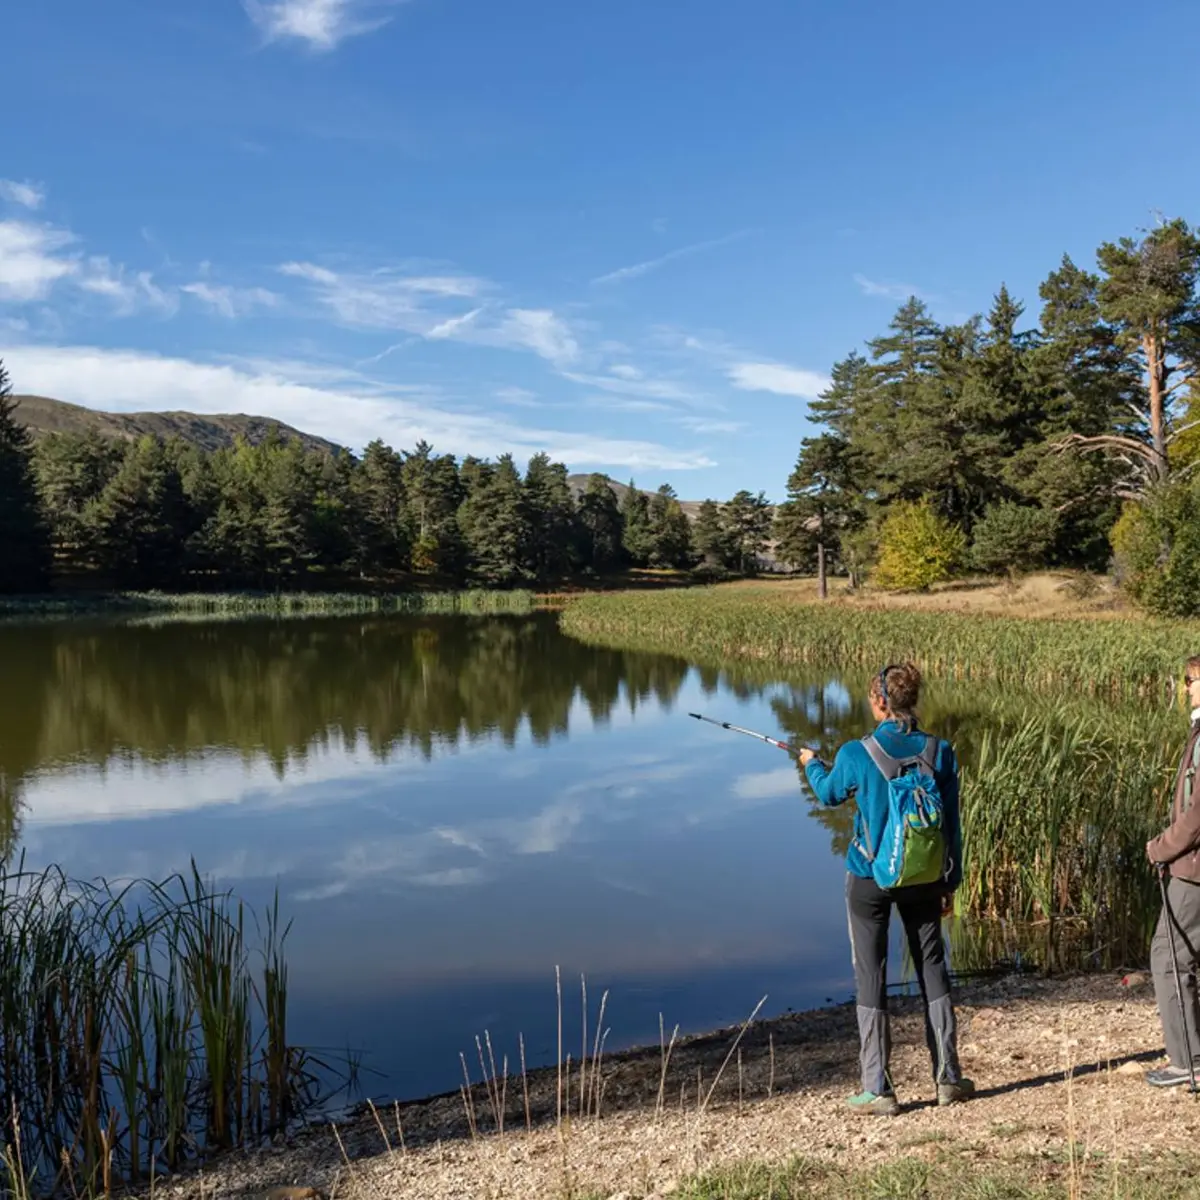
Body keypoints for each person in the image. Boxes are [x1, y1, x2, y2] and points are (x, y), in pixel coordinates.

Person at [798, 662, 973, 1116]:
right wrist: (950, 880)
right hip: (926, 879)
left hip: (870, 879)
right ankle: (948, 1078)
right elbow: (951, 826)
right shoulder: (942, 751)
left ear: (879, 700)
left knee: (870, 975)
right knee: (933, 967)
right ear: (911, 699)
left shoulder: (859, 752)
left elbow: (829, 794)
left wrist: (812, 764)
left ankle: (879, 1088)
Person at [1144, 657, 1200, 1089]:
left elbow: (1197, 815)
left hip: (1194, 871)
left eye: (1191, 681)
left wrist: (1162, 847)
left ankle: (1187, 1062)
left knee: (1168, 956)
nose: (1186, 689)